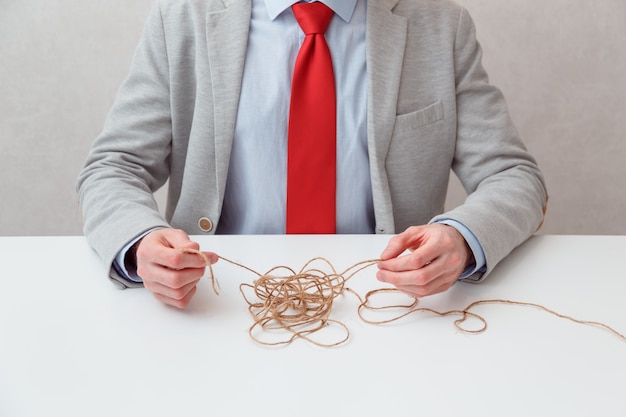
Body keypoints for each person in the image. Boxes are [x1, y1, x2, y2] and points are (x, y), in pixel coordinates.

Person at [77, 0, 548, 309]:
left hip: (387, 304)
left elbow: (513, 175)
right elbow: (113, 167)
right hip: (220, 300)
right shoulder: (182, 19)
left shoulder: (441, 25)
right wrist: (140, 242)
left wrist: (462, 237)